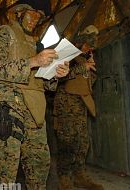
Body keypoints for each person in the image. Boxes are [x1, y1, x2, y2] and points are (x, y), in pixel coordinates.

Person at [0, 0, 70, 189]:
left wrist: (56, 74)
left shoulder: (36, 43)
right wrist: (33, 61)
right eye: (32, 14)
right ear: (19, 13)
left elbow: (44, 83)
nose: (36, 20)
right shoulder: (4, 33)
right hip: (11, 106)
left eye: (39, 17)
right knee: (7, 167)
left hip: (35, 110)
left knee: (39, 164)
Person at [53, 25, 104, 190]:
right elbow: (57, 77)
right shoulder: (68, 53)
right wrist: (84, 67)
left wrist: (90, 69)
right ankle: (64, 179)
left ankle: (79, 176)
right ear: (84, 38)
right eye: (91, 38)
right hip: (66, 105)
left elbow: (88, 81)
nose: (94, 42)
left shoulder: (85, 56)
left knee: (83, 143)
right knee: (68, 143)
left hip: (81, 105)